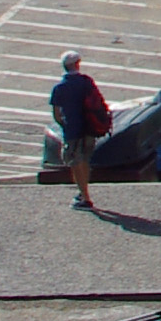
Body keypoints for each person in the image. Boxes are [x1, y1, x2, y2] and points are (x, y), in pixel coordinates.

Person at [50, 52, 113, 212]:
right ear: (77, 64)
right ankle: (84, 192)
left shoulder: (60, 88)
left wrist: (64, 125)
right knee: (85, 160)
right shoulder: (87, 81)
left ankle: (85, 197)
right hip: (90, 127)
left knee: (75, 162)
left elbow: (57, 114)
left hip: (72, 130)